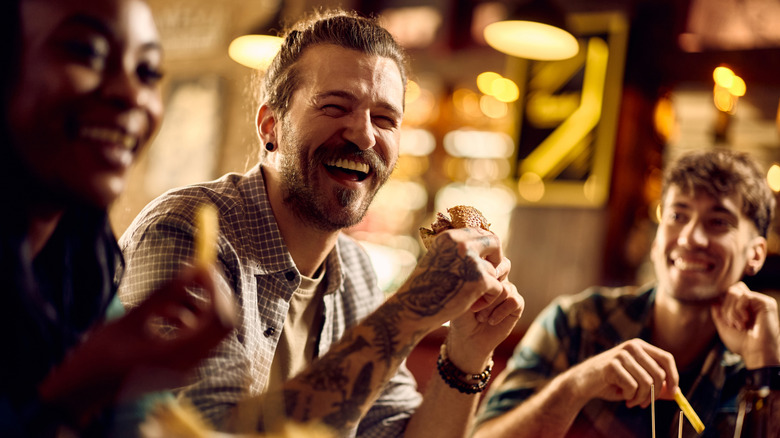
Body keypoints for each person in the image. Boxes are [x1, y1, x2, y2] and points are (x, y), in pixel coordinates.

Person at [118, 9, 524, 438]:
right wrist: (409, 310)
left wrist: (466, 354)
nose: (365, 135)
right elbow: (207, 430)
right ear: (270, 126)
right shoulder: (186, 234)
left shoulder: (356, 273)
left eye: (385, 119)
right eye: (335, 106)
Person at [0, 0, 236, 436]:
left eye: (147, 72)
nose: (130, 94)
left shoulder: (80, 265)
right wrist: (78, 394)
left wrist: (138, 379)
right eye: (86, 51)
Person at [473, 149, 780, 438]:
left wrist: (764, 365)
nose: (690, 237)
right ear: (657, 237)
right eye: (677, 216)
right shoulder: (576, 323)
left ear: (755, 254)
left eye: (718, 222)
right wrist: (578, 384)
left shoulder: (757, 363)